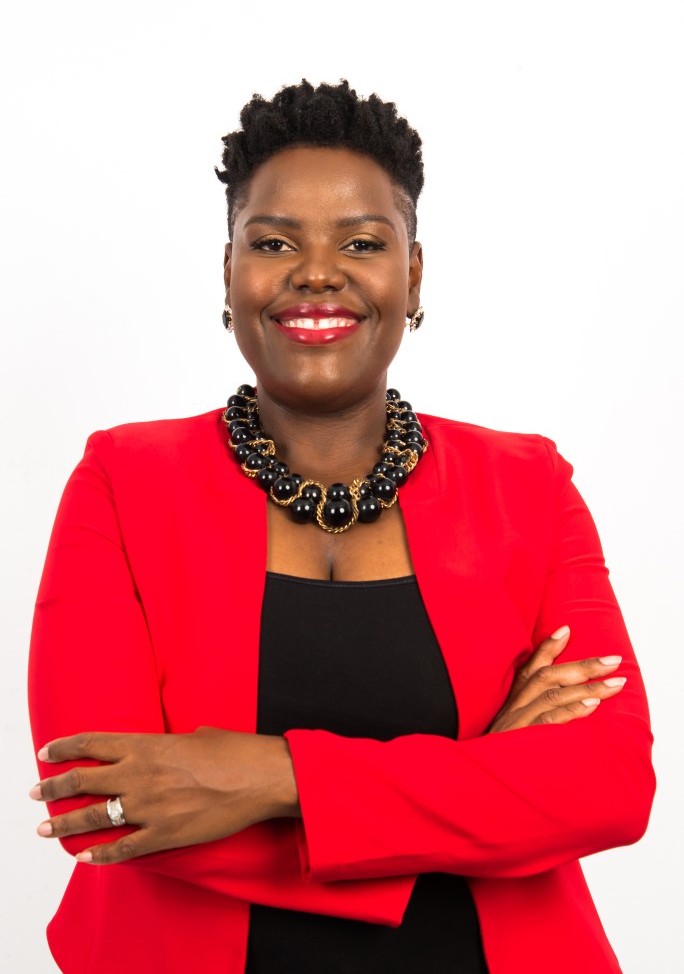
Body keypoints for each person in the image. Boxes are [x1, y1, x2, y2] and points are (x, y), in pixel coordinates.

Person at [28, 79, 655, 974]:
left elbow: (607, 785)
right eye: (273, 242)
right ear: (229, 273)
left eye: (361, 242)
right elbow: (102, 803)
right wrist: (480, 783)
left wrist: (267, 778)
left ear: (412, 275)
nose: (316, 272)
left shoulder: (528, 486)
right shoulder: (122, 481)